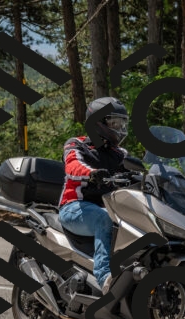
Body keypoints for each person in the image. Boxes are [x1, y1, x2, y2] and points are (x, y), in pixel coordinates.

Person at [58, 97, 130, 294]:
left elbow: (138, 171)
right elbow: (73, 166)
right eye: (115, 123)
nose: (120, 128)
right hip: (74, 207)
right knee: (104, 219)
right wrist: (91, 173)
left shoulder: (121, 154)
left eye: (122, 123)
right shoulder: (77, 144)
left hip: (108, 208)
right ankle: (105, 277)